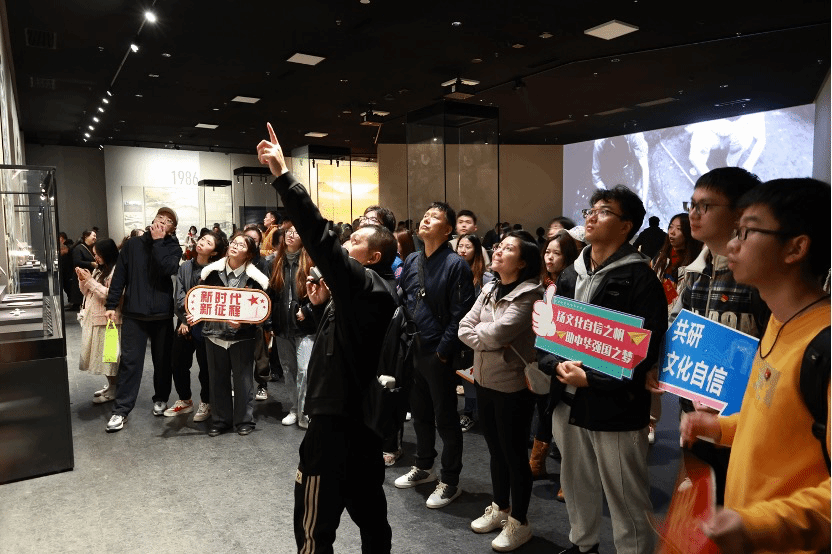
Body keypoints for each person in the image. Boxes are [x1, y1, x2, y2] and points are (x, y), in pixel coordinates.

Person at [258, 122, 398, 552]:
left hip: (336, 421)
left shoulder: (366, 285)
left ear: (372, 257)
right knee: (371, 516)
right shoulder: (368, 291)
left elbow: (320, 238)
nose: (345, 245)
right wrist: (320, 305)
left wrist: (284, 177)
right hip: (358, 420)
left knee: (314, 526)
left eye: (353, 242)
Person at [680, 178, 830, 553]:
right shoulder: (779, 323)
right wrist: (720, 427)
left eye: (746, 232)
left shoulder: (823, 346)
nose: (732, 244)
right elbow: (774, 425)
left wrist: (756, 524)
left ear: (796, 248)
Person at [544, 185, 667, 554]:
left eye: (604, 211)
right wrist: (557, 365)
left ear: (626, 226)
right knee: (575, 481)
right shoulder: (570, 274)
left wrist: (592, 379)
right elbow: (549, 332)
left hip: (615, 404)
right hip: (567, 397)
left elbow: (644, 349)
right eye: (590, 210)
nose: (591, 217)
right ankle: (583, 545)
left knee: (626, 494)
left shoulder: (641, 278)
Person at [651, 166, 769, 505]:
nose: (693, 213)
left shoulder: (759, 275)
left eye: (705, 206)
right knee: (705, 497)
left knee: (744, 503)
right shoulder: (695, 272)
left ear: (740, 212)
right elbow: (679, 329)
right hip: (695, 407)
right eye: (691, 204)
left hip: (748, 417)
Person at [459, 231, 543, 551]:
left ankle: (520, 522)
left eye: (508, 248)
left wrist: (483, 334)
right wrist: (486, 336)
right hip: (483, 379)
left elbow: (497, 334)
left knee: (514, 454)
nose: (498, 251)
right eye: (499, 246)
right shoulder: (490, 287)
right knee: (495, 450)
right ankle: (501, 508)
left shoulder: (530, 295)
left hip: (512, 385)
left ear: (522, 263)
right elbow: (465, 326)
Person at [394, 201, 475, 509]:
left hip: (437, 352)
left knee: (446, 419)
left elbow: (461, 314)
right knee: (420, 414)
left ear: (448, 229)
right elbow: (404, 299)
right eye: (425, 216)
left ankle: (450, 480)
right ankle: (424, 466)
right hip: (414, 347)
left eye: (435, 217)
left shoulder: (456, 265)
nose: (426, 220)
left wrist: (443, 352)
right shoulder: (413, 259)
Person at [103, 207, 182, 433]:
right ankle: (121, 410)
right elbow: (120, 276)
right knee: (130, 362)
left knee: (162, 360)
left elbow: (168, 268)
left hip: (162, 314)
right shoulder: (133, 245)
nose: (162, 222)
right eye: (160, 217)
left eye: (168, 221)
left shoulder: (173, 247)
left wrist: (158, 242)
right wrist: (111, 304)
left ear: (172, 229)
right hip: (134, 313)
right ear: (153, 219)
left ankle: (161, 398)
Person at [197, 232, 269, 437]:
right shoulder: (210, 273)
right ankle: (220, 420)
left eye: (241, 245)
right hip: (214, 334)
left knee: (243, 381)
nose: (235, 246)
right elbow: (203, 300)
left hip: (242, 336)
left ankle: (244, 420)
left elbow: (261, 310)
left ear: (249, 254)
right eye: (234, 242)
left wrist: (244, 322)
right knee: (217, 379)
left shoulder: (256, 280)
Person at [646, 213, 703, 443]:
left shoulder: (696, 263)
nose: (672, 232)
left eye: (678, 228)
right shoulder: (660, 259)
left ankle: (688, 421)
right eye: (670, 227)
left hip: (683, 324)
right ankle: (650, 421)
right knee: (652, 368)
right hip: (658, 319)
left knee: (684, 373)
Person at [162, 230, 227, 422]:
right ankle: (185, 400)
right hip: (184, 322)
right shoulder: (185, 266)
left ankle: (206, 402)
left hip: (206, 325)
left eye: (208, 243)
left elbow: (212, 300)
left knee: (205, 366)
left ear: (214, 252)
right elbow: (179, 296)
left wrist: (193, 318)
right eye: (202, 239)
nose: (202, 243)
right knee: (178, 362)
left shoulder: (216, 271)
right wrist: (184, 320)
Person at [530, 230, 578, 484]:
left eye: (556, 253)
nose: (549, 257)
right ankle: (536, 463)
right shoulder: (546, 283)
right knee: (545, 408)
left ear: (567, 256)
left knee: (562, 416)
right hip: (545, 353)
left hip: (565, 356)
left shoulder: (573, 284)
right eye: (547, 252)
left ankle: (567, 478)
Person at [269, 222, 315, 428]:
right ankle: (294, 409)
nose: (291, 235)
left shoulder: (310, 261)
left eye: (296, 232)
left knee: (304, 369)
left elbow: (320, 293)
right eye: (288, 231)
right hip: (282, 325)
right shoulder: (275, 262)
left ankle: (305, 411)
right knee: (288, 369)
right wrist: (270, 322)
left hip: (305, 325)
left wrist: (307, 310)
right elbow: (270, 295)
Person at [455, 233, 495, 433]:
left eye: (467, 247)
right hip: (459, 330)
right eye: (460, 246)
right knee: (464, 374)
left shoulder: (486, 278)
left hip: (477, 333)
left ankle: (475, 413)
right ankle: (468, 412)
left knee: (475, 374)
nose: (462, 250)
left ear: (476, 250)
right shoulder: (454, 271)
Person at [77, 238, 121, 402]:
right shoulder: (99, 269)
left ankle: (115, 389)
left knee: (110, 358)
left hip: (109, 321)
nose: (95, 257)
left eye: (98, 254)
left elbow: (111, 295)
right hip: (95, 318)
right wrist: (83, 280)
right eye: (94, 254)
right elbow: (87, 292)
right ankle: (111, 386)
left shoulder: (117, 270)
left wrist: (90, 281)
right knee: (103, 358)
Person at [242, 223, 275, 403]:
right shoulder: (233, 260)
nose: (250, 242)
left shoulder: (262, 263)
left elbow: (267, 289)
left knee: (260, 353)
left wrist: (268, 321)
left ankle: (262, 384)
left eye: (254, 240)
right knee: (239, 353)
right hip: (237, 314)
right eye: (247, 238)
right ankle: (240, 384)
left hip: (257, 314)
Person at [69, 229, 97, 310]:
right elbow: (77, 262)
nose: (95, 238)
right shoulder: (79, 248)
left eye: (96, 236)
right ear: (86, 237)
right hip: (81, 276)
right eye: (93, 236)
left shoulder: (91, 248)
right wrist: (91, 264)